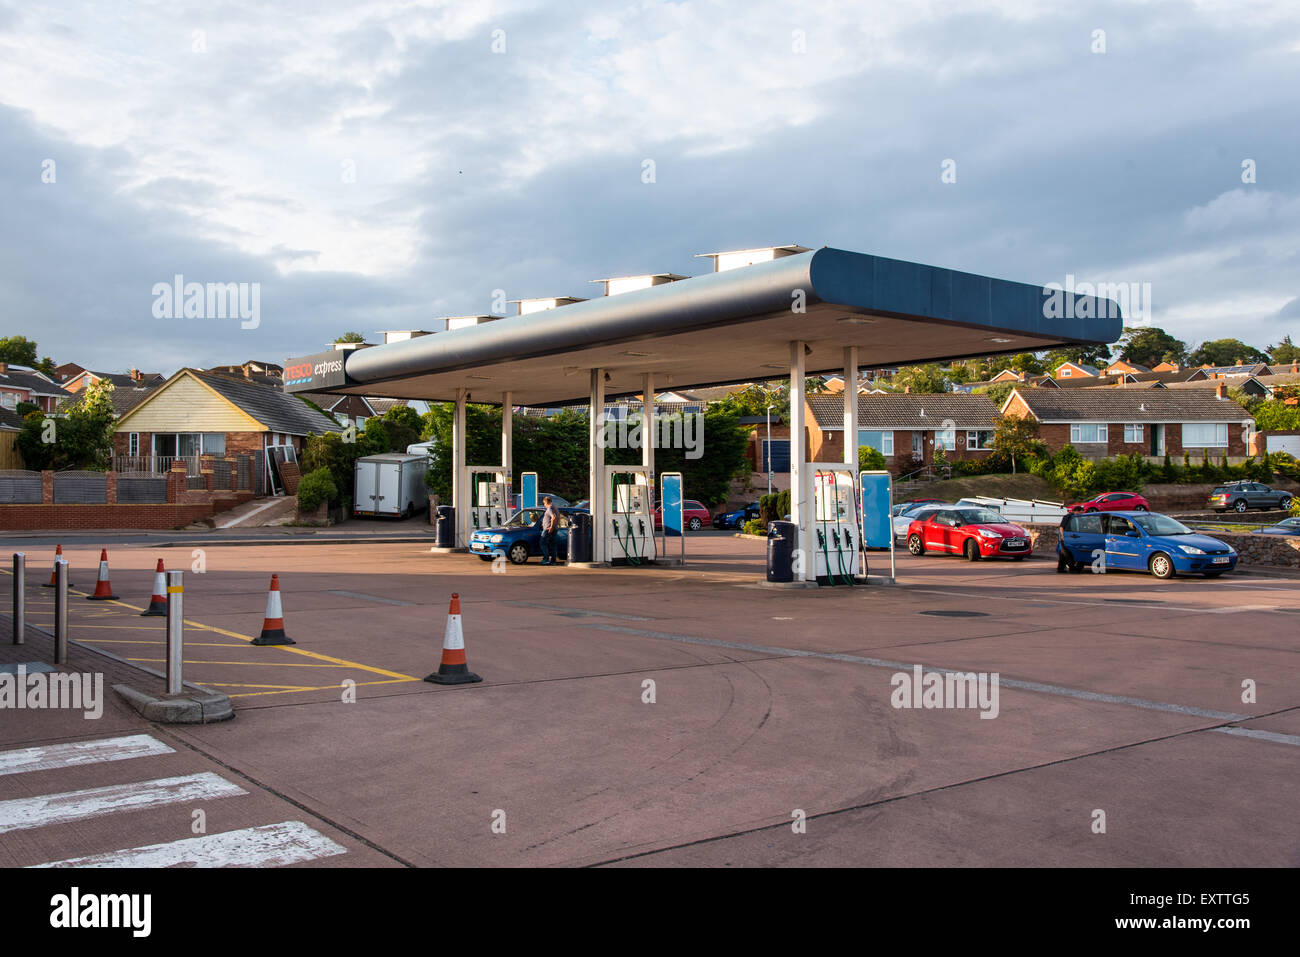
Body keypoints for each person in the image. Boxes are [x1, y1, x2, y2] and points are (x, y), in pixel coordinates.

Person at [540, 496, 559, 565]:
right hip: (555, 529)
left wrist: (551, 527)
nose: (544, 505)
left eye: (544, 503)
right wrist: (555, 526)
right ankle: (553, 561)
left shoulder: (550, 508)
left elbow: (553, 517)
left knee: (542, 543)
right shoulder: (555, 508)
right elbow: (558, 518)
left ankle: (546, 559)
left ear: (546, 502)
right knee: (553, 545)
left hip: (548, 529)